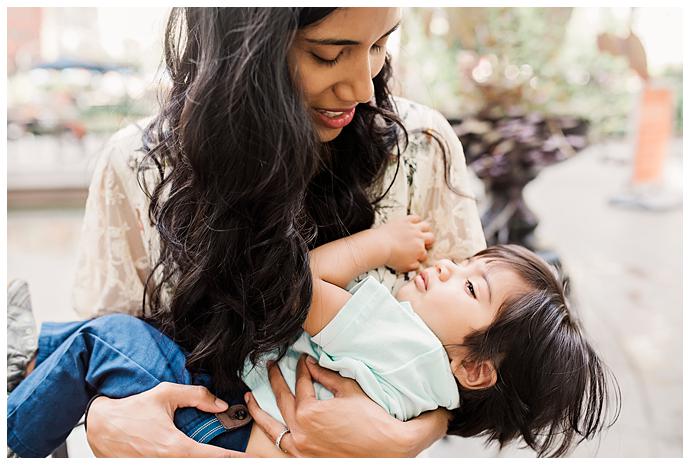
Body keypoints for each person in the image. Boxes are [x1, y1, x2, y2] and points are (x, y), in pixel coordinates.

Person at [68, 7, 489, 457]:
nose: (363, 88)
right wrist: (102, 420)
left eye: (380, 45)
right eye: (328, 55)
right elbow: (99, 357)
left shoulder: (421, 149)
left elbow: (483, 361)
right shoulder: (137, 165)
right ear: (240, 47)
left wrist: (407, 436)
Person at [8, 216, 619, 458]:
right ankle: (27, 349)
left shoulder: (402, 341)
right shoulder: (429, 387)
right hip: (236, 425)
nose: (448, 267)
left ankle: (14, 430)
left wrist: (377, 246)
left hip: (217, 428)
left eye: (469, 289)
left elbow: (297, 285)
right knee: (108, 339)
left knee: (108, 339)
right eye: (467, 262)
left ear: (478, 368)